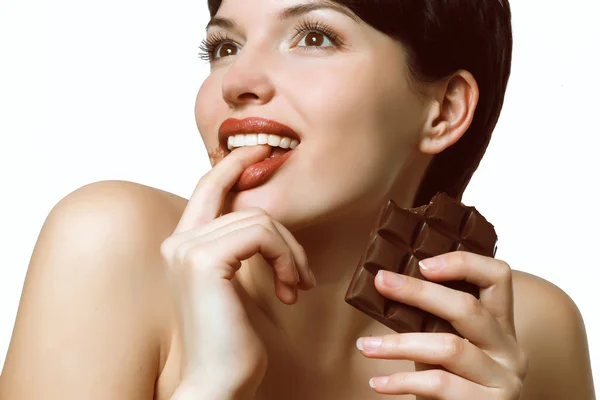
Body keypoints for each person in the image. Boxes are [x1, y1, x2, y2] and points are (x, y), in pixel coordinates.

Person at [0, 0, 595, 398]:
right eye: (224, 47)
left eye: (314, 36)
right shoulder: (112, 246)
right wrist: (211, 384)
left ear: (442, 110)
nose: (235, 82)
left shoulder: (529, 332)